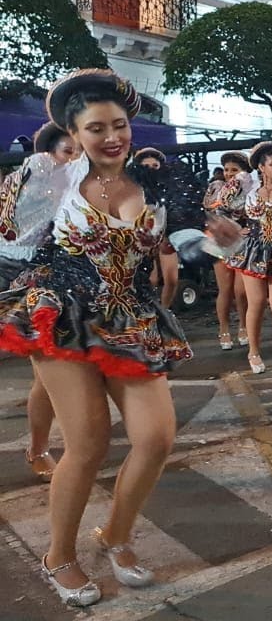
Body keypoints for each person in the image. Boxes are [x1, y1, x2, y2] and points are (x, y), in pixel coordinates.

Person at [0, 69, 238, 606]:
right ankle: (58, 554)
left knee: (156, 438)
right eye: (96, 127)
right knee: (87, 443)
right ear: (75, 133)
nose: (112, 137)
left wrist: (221, 240)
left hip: (131, 317)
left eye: (120, 125)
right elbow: (12, 251)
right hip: (63, 314)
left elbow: (186, 242)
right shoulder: (50, 180)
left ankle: (116, 535)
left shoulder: (157, 181)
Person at [19, 122, 80, 483]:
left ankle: (77, 449)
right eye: (66, 152)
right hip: (45, 294)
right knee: (47, 380)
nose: (74, 159)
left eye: (79, 151)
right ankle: (41, 448)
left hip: (98, 299)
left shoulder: (106, 185)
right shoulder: (36, 189)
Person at [217, 141, 272, 373]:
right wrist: (238, 180)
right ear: (261, 168)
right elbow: (224, 202)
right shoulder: (249, 188)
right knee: (255, 303)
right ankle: (253, 351)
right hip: (254, 250)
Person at [131, 148, 181, 309]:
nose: (151, 169)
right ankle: (148, 312)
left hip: (166, 237)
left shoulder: (170, 188)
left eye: (155, 165)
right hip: (141, 241)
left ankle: (164, 312)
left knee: (172, 280)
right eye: (147, 166)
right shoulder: (131, 191)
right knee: (150, 280)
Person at [212, 152, 251, 350]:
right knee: (225, 290)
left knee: (241, 291)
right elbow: (210, 214)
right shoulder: (216, 188)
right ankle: (224, 329)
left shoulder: (253, 189)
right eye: (226, 170)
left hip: (244, 244)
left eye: (234, 170)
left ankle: (244, 325)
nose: (229, 174)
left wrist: (247, 229)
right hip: (222, 243)